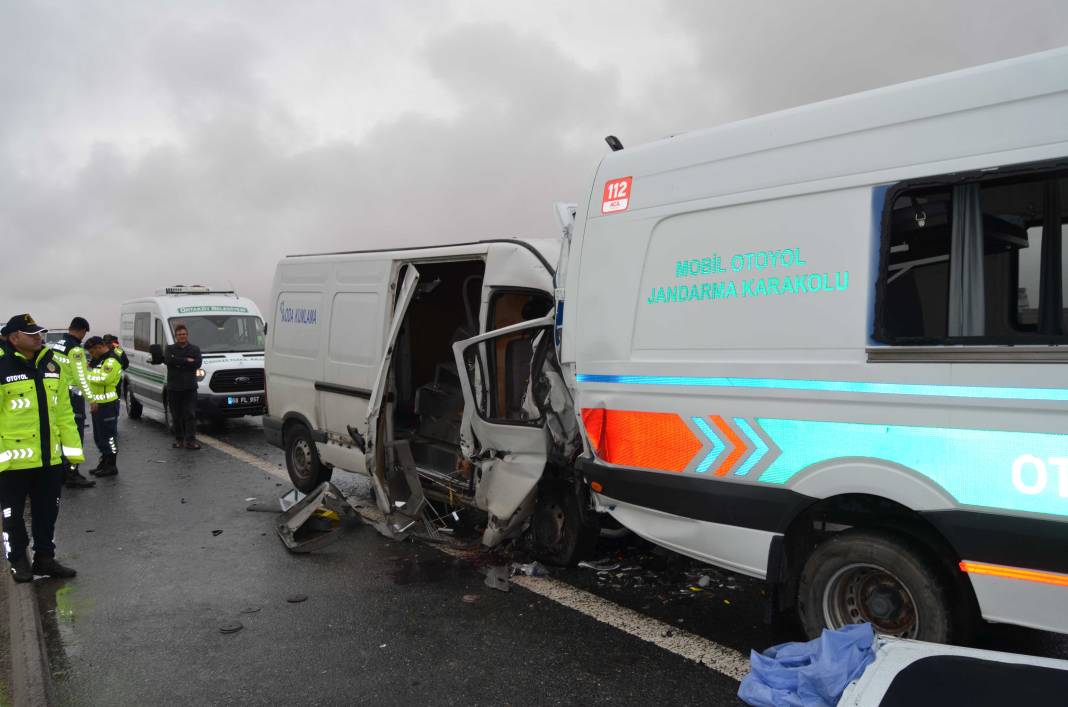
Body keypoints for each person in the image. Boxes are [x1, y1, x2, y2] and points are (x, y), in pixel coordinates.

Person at [0, 314, 81, 581]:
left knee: (47, 514)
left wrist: (72, 456)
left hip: (49, 459)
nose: (38, 337)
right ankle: (18, 561)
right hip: (12, 463)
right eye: (31, 333)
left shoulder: (52, 364)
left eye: (39, 333)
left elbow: (64, 413)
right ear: (14, 338)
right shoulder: (2, 366)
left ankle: (45, 559)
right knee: (12, 518)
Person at [49, 316, 95, 488]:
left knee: (60, 433)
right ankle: (72, 473)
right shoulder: (75, 350)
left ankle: (62, 471)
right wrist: (91, 399)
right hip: (72, 396)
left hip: (58, 393)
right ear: (82, 331)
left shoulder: (58, 345)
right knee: (74, 435)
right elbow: (81, 377)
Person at [85, 336, 123, 477]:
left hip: (108, 404)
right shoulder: (98, 360)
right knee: (99, 437)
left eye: (92, 351)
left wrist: (87, 375)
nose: (91, 354)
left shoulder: (111, 360)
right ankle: (104, 461)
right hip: (98, 404)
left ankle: (111, 465)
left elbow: (104, 379)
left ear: (99, 347)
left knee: (109, 437)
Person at [165, 323, 202, 450]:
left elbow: (197, 363)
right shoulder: (170, 349)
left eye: (184, 334)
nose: (182, 336)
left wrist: (178, 361)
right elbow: (169, 361)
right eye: (180, 334)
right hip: (174, 388)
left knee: (190, 414)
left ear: (187, 335)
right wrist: (187, 360)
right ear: (176, 336)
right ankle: (179, 440)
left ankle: (190, 441)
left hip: (190, 388)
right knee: (176, 416)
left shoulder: (195, 349)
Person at [102, 334, 130, 406]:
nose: (107, 345)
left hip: (113, 379)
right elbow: (126, 364)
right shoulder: (118, 351)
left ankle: (114, 409)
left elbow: (126, 363)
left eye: (108, 343)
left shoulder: (102, 352)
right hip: (108, 379)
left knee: (115, 397)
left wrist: (118, 370)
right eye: (106, 343)